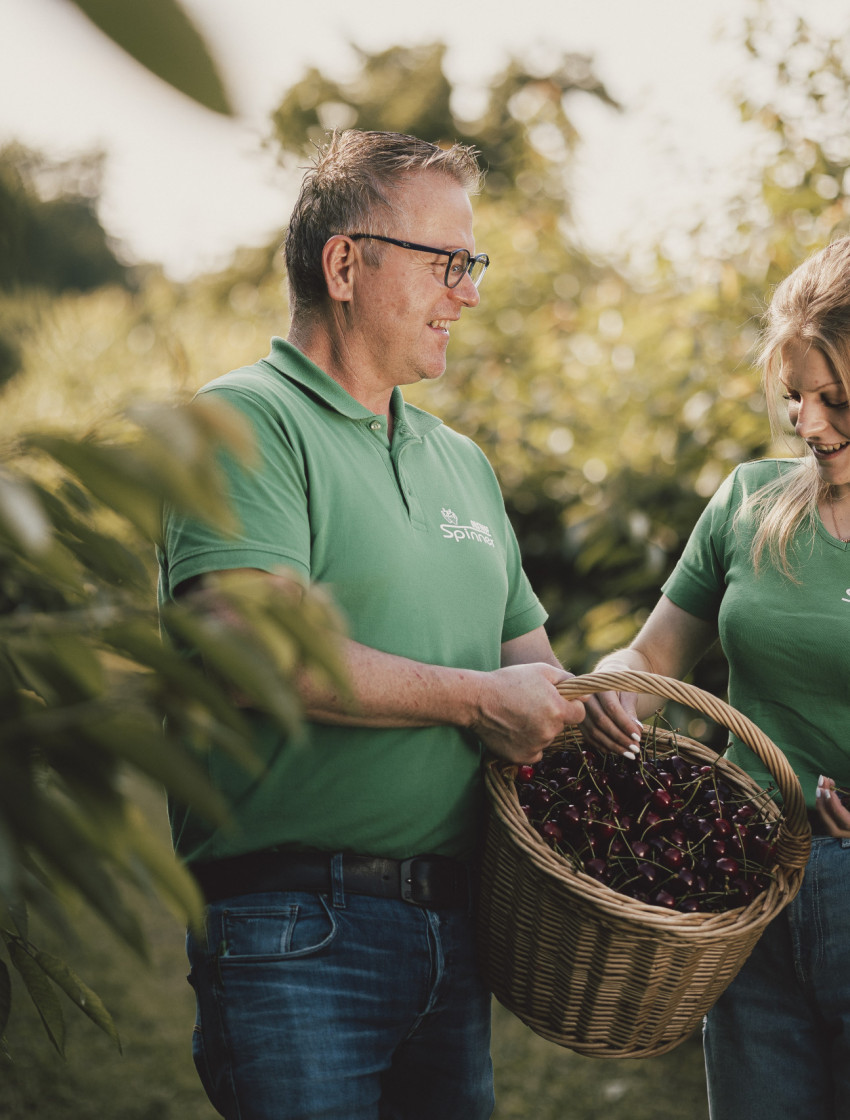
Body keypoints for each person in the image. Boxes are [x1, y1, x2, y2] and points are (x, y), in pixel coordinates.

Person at [157, 129, 584, 1120]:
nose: (468, 292)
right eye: (448, 263)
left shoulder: (461, 463)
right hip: (294, 928)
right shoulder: (242, 424)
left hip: (453, 923)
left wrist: (591, 716)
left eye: (470, 265)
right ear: (345, 264)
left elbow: (533, 667)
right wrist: (479, 700)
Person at [580, 236, 850, 1120]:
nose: (809, 426)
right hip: (748, 878)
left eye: (835, 400)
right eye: (796, 400)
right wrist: (617, 679)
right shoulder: (750, 503)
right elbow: (655, 653)